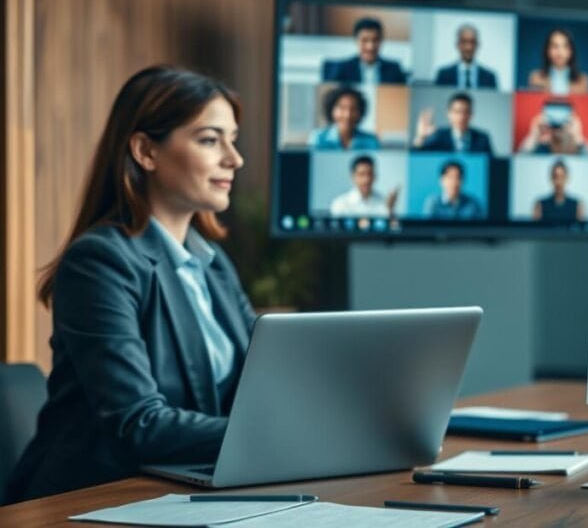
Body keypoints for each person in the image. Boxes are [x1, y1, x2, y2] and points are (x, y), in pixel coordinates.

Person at [5, 67, 255, 503]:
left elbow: (263, 379)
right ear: (145, 151)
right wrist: (274, 433)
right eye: (211, 140)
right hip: (88, 500)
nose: (234, 159)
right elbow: (137, 423)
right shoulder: (99, 262)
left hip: (188, 491)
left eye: (233, 140)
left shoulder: (214, 266)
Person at [321, 17, 407, 84]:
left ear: (381, 41)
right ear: (356, 40)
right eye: (365, 40)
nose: (370, 47)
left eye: (375, 40)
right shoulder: (342, 70)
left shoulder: (394, 70)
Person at [413, 92, 493, 154]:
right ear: (449, 114)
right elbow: (418, 159)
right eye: (457, 111)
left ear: (471, 114)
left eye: (466, 112)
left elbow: (492, 164)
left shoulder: (483, 138)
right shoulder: (438, 135)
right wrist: (420, 137)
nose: (461, 116)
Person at [307, 86, 379, 150]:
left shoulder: (370, 140)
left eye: (353, 109)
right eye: (342, 108)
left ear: (360, 112)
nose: (348, 115)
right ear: (331, 110)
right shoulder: (318, 138)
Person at [527, 28, 588, 95]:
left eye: (565, 46)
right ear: (547, 50)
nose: (559, 52)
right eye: (555, 46)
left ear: (571, 51)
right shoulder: (536, 78)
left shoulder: (582, 80)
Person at [329, 155, 398, 217]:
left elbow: (392, 228)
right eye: (361, 174)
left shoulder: (384, 202)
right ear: (352, 177)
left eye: (370, 174)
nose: (366, 180)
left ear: (375, 176)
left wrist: (389, 210)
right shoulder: (340, 204)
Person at [434, 24, 498, 89]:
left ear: (478, 45)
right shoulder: (444, 75)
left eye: (472, 42)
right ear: (457, 44)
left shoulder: (489, 77)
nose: (468, 48)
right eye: (464, 42)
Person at [518, 109, 588, 155]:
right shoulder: (540, 149)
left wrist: (578, 137)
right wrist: (534, 136)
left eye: (563, 118)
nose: (558, 124)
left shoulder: (579, 150)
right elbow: (520, 163)